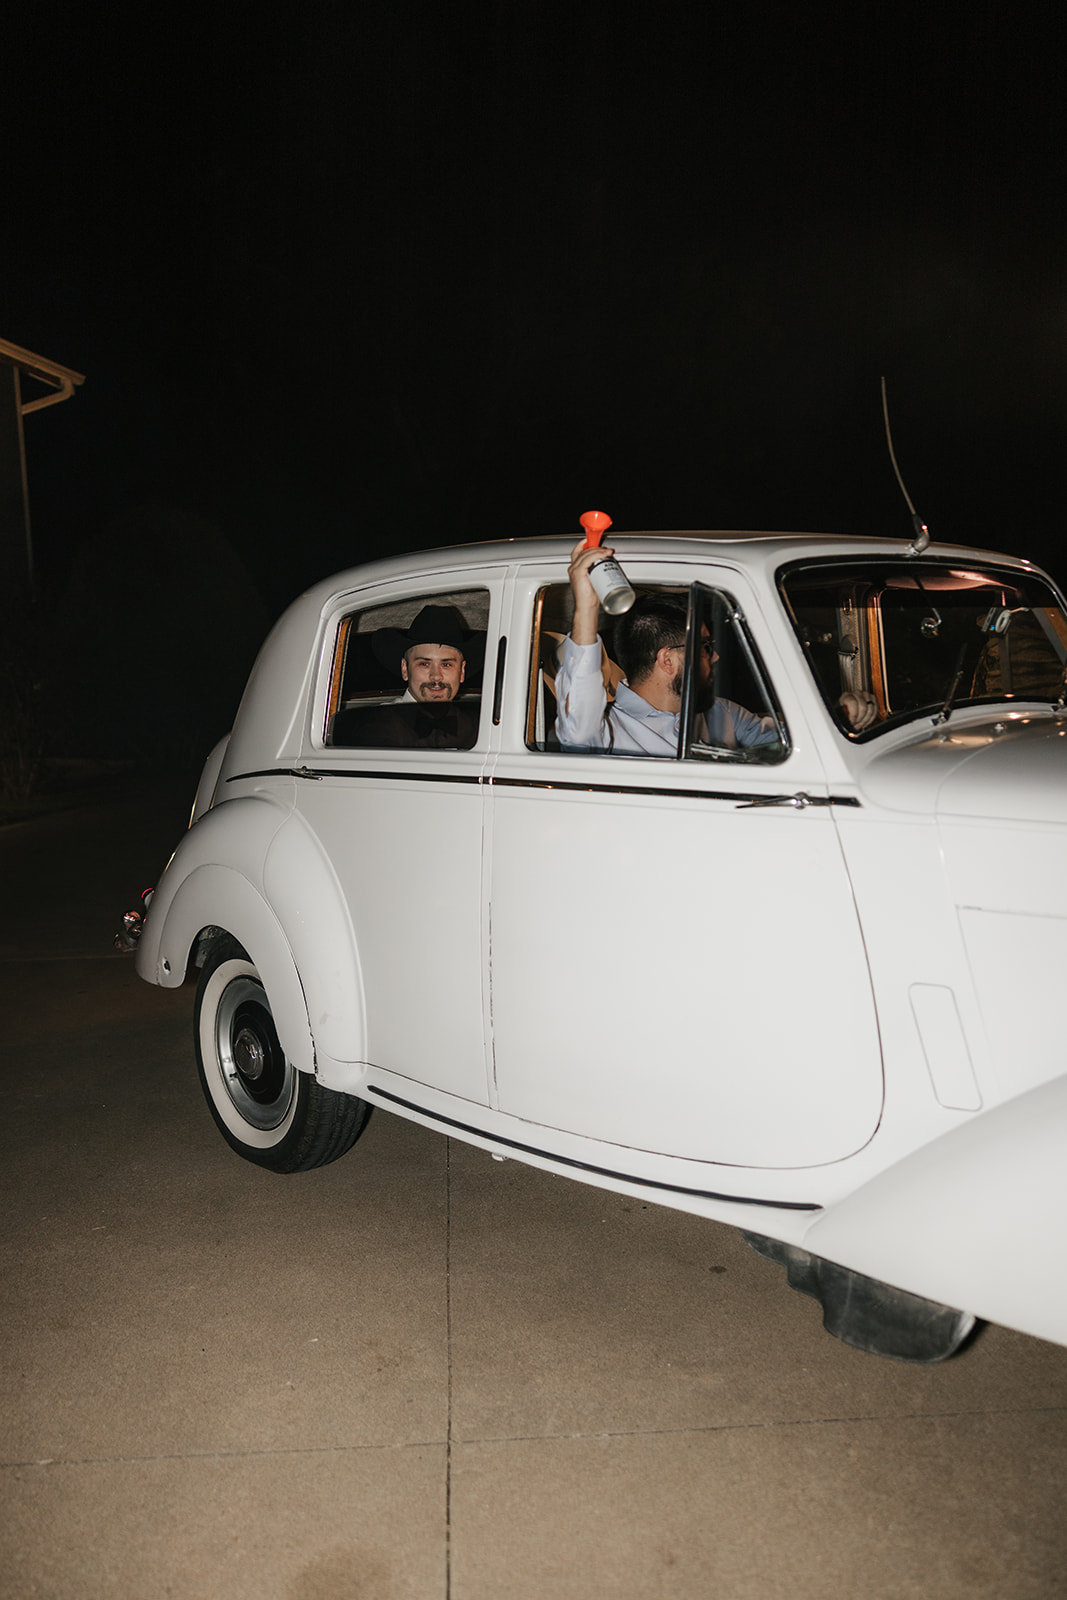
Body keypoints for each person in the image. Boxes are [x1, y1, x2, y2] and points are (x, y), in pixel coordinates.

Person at [555, 539, 876, 755]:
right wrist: (586, 608)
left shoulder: (719, 712)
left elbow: (788, 743)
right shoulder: (611, 732)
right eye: (705, 646)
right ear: (668, 660)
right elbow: (578, 732)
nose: (716, 655)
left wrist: (841, 715)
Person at [331, 605, 481, 749]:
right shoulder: (378, 725)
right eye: (424, 664)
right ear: (405, 669)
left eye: (446, 665)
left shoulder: (477, 727)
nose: (436, 677)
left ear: (461, 671)